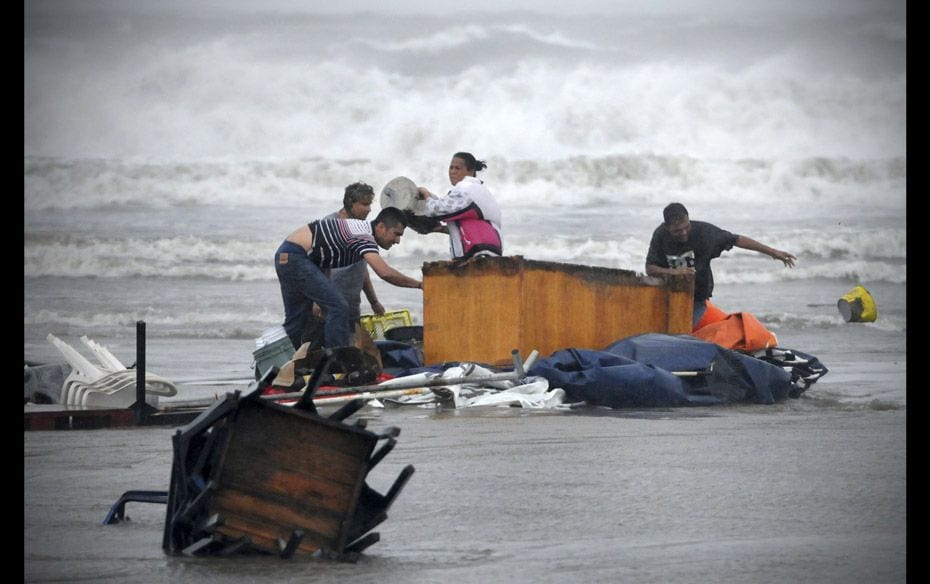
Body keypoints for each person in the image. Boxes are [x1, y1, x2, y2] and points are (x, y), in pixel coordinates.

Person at [275, 206, 422, 351]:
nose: (397, 241)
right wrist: (420, 285)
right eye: (396, 234)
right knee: (338, 307)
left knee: (296, 321)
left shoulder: (360, 232)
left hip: (286, 256)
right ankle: (338, 361)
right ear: (381, 227)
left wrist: (319, 301)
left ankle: (283, 366)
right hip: (295, 256)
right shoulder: (363, 236)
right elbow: (384, 273)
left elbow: (323, 259)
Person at [645, 202, 796, 327]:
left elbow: (737, 240)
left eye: (686, 227)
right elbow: (650, 269)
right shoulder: (661, 235)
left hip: (697, 296)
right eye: (677, 231)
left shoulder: (704, 232)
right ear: (667, 227)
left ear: (689, 220)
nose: (684, 233)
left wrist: (773, 252)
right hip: (668, 295)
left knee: (683, 332)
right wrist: (675, 273)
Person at [416, 152, 503, 260]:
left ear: (470, 171)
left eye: (457, 168)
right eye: (451, 168)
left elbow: (436, 210)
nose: (452, 172)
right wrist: (442, 229)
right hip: (488, 251)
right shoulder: (479, 189)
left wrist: (425, 194)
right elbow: (471, 225)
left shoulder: (466, 188)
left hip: (480, 254)